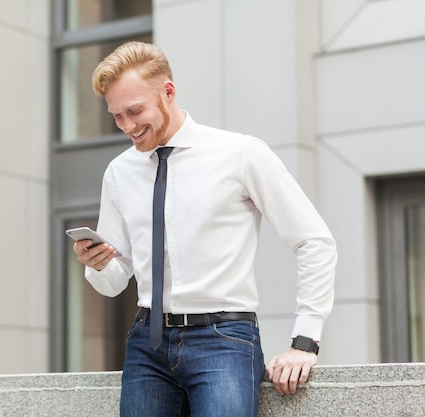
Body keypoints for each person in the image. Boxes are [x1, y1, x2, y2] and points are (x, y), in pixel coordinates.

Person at [72, 41, 337, 417]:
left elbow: (314, 240)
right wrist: (97, 264)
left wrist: (305, 341)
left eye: (135, 111)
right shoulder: (119, 172)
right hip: (147, 343)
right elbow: (115, 281)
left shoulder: (240, 154)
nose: (128, 127)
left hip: (224, 341)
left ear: (167, 92)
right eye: (117, 116)